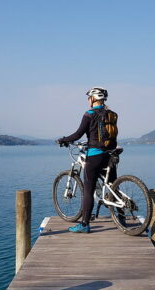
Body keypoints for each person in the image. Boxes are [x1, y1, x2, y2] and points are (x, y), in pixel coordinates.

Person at [57, 87, 118, 233]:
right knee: (114, 185)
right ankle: (121, 217)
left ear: (93, 99)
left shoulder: (89, 114)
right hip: (110, 155)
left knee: (88, 191)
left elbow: (78, 134)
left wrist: (63, 139)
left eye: (88, 98)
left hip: (95, 156)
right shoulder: (112, 114)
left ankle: (84, 224)